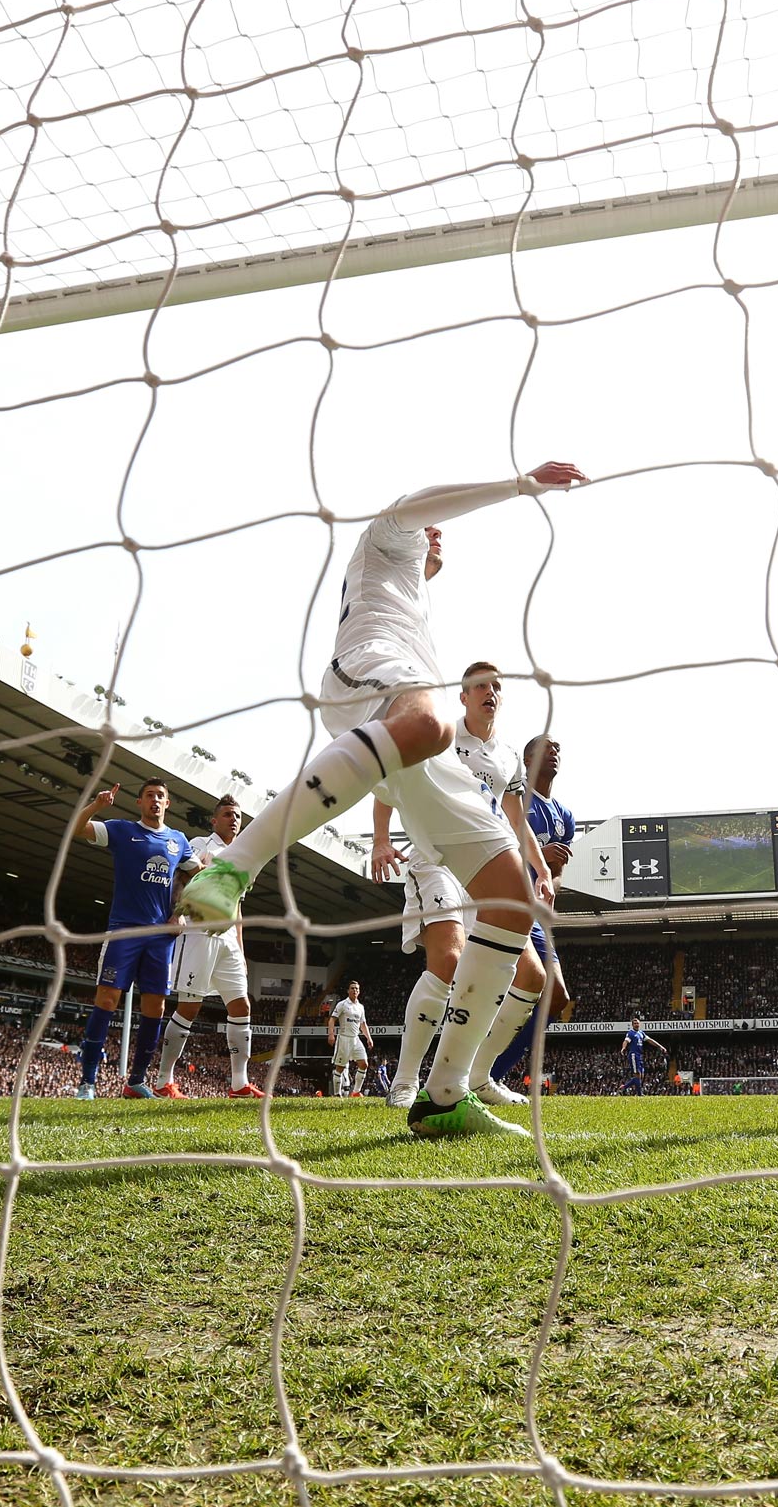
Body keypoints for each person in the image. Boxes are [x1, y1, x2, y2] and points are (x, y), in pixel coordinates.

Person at [181, 462, 585, 1139]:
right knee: (429, 723)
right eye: (433, 534)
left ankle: (445, 1095)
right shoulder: (387, 539)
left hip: (409, 716)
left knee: (510, 900)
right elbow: (425, 502)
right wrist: (521, 484)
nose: (438, 542)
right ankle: (232, 868)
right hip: (367, 667)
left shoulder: (414, 600)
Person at [369, 663, 556, 1108]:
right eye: (479, 686)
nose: (489, 691)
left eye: (496, 686)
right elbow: (388, 785)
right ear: (462, 696)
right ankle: (405, 1081)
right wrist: (380, 840)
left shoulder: (508, 754)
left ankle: (477, 1076)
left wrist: (540, 869)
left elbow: (514, 816)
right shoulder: (441, 735)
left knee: (532, 977)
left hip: (485, 866)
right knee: (448, 960)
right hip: (435, 859)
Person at [72, 778, 191, 1100]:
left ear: (167, 804)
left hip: (160, 936)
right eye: (149, 795)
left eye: (161, 796)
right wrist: (97, 805)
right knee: (107, 999)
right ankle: (87, 1082)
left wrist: (179, 912)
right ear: (139, 802)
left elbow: (194, 875)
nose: (155, 800)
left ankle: (136, 1082)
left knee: (156, 1005)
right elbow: (76, 829)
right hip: (125, 929)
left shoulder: (178, 841)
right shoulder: (122, 830)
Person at [480, 732, 576, 1093]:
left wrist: (550, 877)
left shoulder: (565, 815)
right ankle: (476, 1074)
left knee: (557, 997)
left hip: (536, 914)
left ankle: (490, 1074)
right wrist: (536, 858)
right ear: (527, 758)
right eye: (547, 747)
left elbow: (557, 877)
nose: (555, 752)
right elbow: (494, 852)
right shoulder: (513, 802)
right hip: (505, 902)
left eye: (558, 748)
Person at [153, 795, 262, 1099]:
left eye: (237, 815)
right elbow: (181, 876)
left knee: (241, 1005)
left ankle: (239, 1084)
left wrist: (241, 949)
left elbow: (237, 906)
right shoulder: (201, 843)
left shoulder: (244, 856)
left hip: (227, 937)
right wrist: (176, 913)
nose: (234, 819)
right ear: (215, 820)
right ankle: (164, 1081)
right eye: (227, 814)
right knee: (190, 1006)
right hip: (199, 930)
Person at [328, 979, 374, 1097]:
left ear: (359, 992)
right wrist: (331, 1034)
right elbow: (332, 1019)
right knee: (340, 1068)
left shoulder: (360, 1007)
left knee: (364, 1064)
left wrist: (368, 1038)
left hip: (356, 1039)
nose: (355, 990)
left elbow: (363, 1024)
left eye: (357, 989)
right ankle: (337, 1094)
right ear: (348, 991)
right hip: (344, 1039)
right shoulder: (342, 1004)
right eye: (353, 988)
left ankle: (356, 1092)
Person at [620, 1016, 667, 1095]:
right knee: (637, 1075)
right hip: (634, 1055)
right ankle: (639, 1094)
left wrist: (660, 1046)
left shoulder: (641, 1033)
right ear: (632, 1025)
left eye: (637, 1023)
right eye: (635, 1023)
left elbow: (650, 1040)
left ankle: (625, 1087)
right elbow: (626, 1041)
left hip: (640, 1056)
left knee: (640, 1076)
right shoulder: (631, 1033)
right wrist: (623, 1048)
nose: (636, 1025)